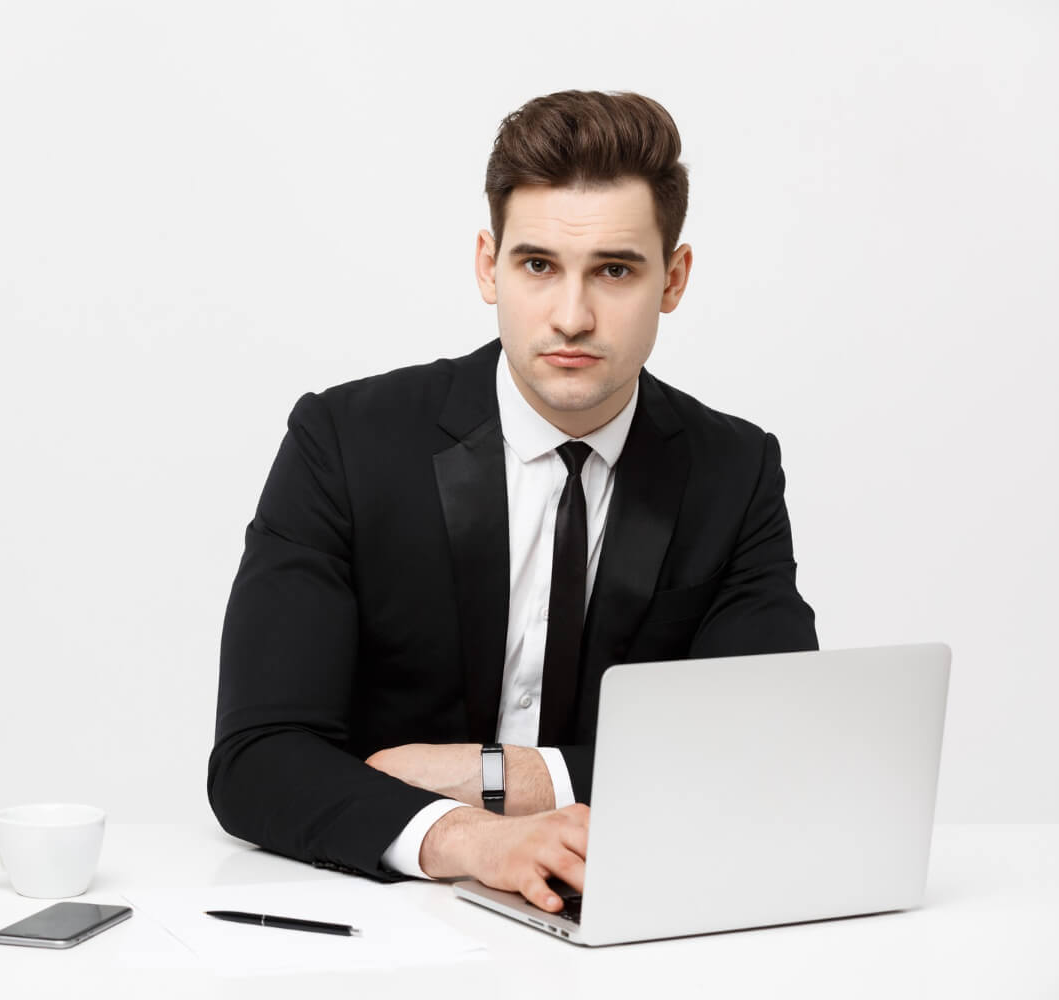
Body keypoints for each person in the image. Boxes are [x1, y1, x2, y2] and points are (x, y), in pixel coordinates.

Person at [207, 90, 817, 916]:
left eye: (615, 269)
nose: (572, 316)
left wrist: (515, 778)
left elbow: (770, 744)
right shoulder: (344, 443)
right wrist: (471, 837)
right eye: (538, 266)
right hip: (375, 921)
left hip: (629, 925)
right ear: (487, 264)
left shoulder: (734, 470)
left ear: (672, 280)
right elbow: (258, 755)